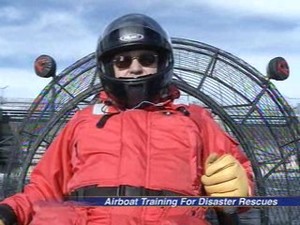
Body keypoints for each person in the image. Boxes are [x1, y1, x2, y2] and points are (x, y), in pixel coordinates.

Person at [0, 13, 254, 225]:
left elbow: (237, 172)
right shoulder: (83, 120)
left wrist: (240, 189)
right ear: (109, 68)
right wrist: (9, 212)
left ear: (163, 63)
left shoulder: (195, 118)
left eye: (146, 59)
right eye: (122, 61)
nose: (135, 68)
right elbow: (44, 189)